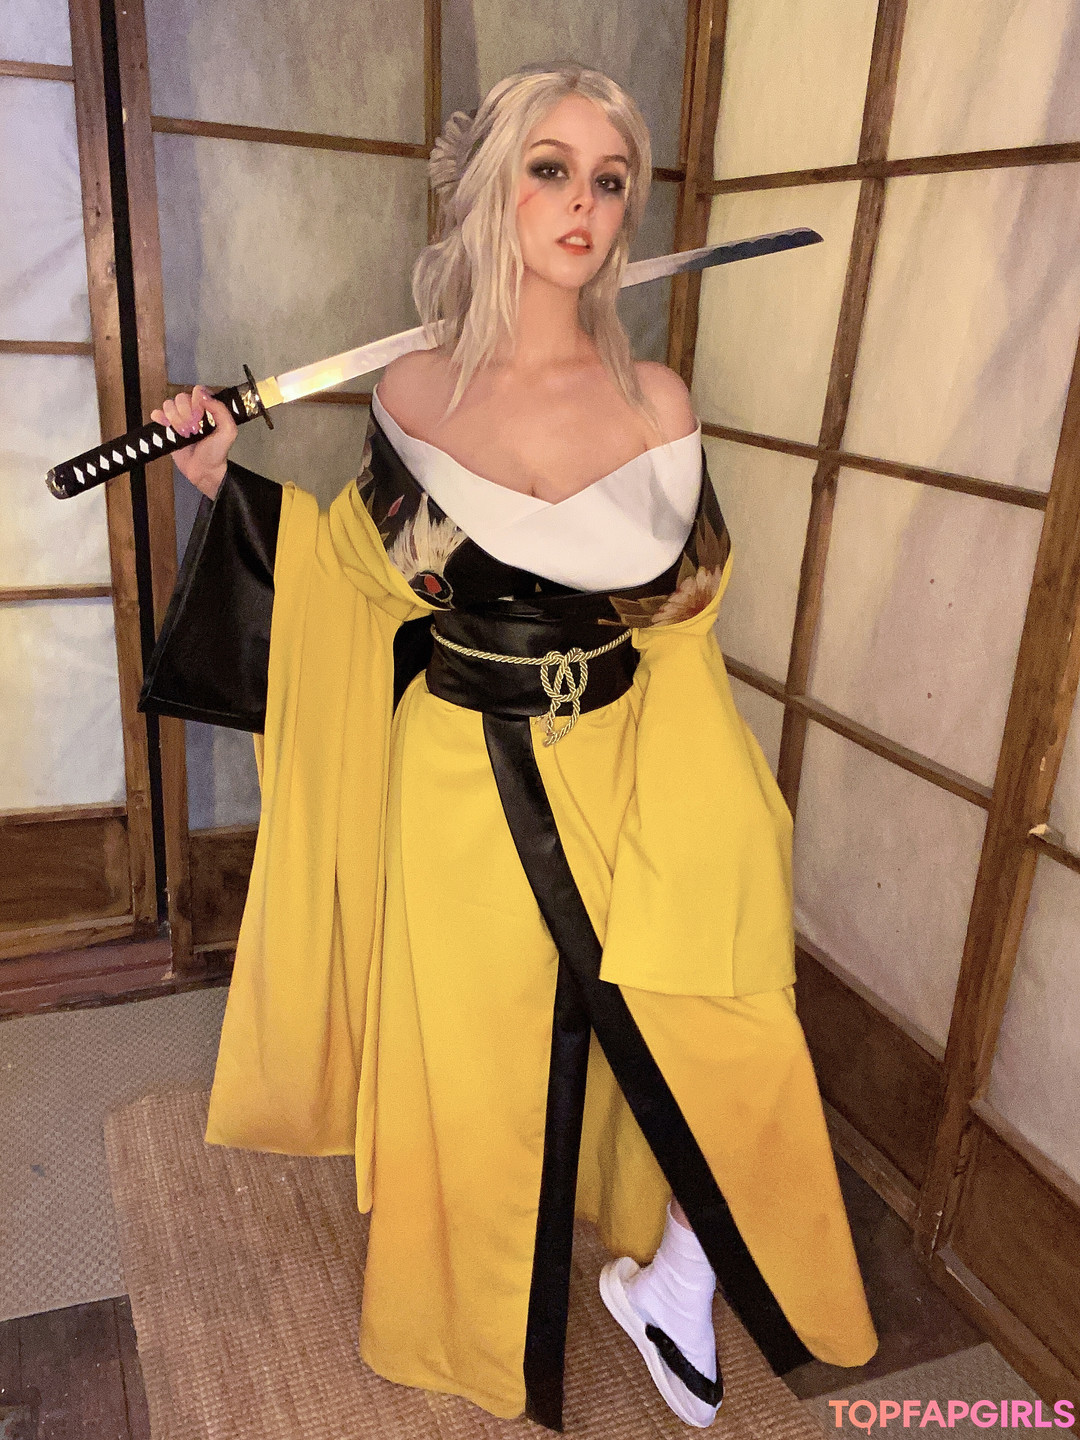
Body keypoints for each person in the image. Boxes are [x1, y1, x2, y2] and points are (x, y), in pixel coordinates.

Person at [145, 63, 877, 1432]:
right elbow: (357, 582)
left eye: (609, 179)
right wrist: (218, 484)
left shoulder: (660, 403)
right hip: (455, 779)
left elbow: (684, 624)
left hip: (633, 754)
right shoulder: (418, 392)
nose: (583, 203)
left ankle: (672, 1277)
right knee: (476, 1053)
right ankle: (459, 1318)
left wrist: (725, 814)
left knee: (723, 1031)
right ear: (494, 187)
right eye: (550, 168)